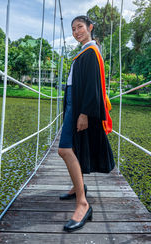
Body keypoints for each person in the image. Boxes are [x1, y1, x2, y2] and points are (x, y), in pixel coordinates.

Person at [58, 15, 115, 232]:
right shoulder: (84, 52)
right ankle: (77, 186)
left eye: (80, 27)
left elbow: (92, 86)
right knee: (74, 147)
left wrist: (84, 114)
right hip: (74, 102)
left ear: (90, 27)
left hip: (80, 106)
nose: (76, 32)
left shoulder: (91, 52)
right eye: (73, 29)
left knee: (64, 150)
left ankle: (83, 203)